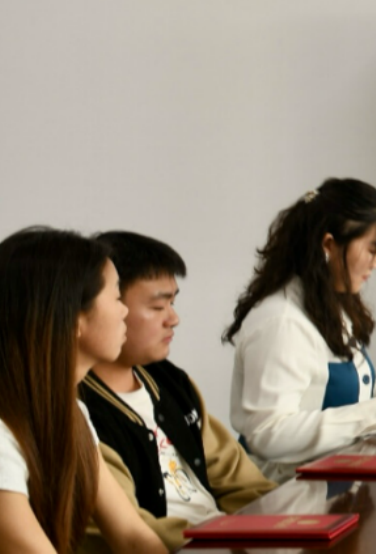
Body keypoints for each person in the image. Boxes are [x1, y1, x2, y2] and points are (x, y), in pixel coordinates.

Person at [225, 179, 376, 481]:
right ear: (328, 245)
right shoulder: (282, 322)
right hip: (283, 493)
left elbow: (327, 396)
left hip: (332, 482)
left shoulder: (325, 304)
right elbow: (268, 434)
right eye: (372, 249)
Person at [80, 232, 275, 551]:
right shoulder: (79, 410)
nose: (174, 319)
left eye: (172, 303)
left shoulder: (171, 382)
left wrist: (286, 522)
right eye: (158, 306)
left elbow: (240, 480)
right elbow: (125, 531)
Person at [0, 227, 165, 554]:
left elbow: (133, 537)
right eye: (116, 297)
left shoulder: (71, 412)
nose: (124, 311)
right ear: (74, 318)